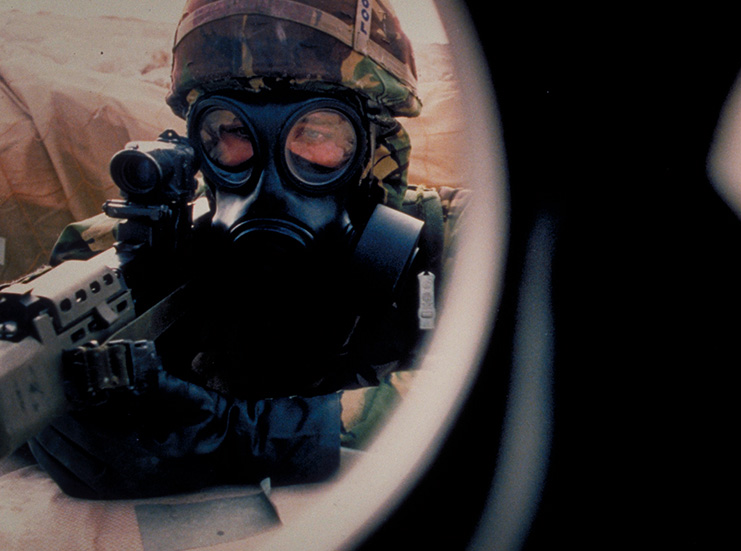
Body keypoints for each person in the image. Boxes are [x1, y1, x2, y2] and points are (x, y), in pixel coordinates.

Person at [23, 0, 467, 499]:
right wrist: (54, 413)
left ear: (375, 146)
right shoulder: (117, 257)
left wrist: (249, 437)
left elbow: (500, 398)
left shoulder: (460, 246)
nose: (270, 175)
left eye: (316, 132)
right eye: (232, 130)